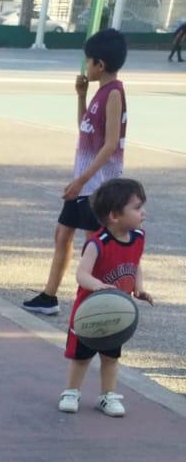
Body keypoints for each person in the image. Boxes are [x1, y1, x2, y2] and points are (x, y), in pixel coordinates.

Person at [22, 27, 128, 317]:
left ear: (100, 65)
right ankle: (49, 296)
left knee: (94, 244)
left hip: (97, 186)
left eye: (88, 61)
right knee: (62, 233)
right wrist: (81, 96)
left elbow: (108, 145)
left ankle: (99, 300)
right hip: (83, 181)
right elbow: (87, 128)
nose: (86, 66)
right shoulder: (99, 92)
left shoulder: (114, 94)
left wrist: (81, 181)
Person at [58, 176, 152, 419]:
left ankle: (107, 395)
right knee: (81, 357)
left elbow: (135, 264)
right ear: (114, 215)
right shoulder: (97, 244)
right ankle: (71, 391)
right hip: (90, 311)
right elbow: (81, 274)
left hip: (116, 313)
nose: (143, 212)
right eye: (137, 207)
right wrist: (99, 286)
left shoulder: (139, 238)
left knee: (111, 357)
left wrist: (139, 288)